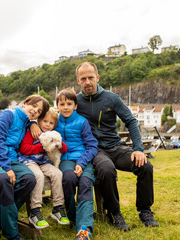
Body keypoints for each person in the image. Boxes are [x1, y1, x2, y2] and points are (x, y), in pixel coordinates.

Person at [75, 62, 159, 231]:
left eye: (91, 77)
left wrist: (138, 149)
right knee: (106, 170)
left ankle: (145, 210)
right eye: (83, 79)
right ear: (78, 81)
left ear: (97, 77)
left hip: (116, 147)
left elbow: (131, 121)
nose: (88, 82)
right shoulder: (75, 102)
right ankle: (114, 213)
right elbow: (56, 117)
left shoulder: (112, 98)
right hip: (95, 150)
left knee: (145, 166)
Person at [0, 95, 50, 240]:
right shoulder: (7, 115)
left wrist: (33, 123)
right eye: (33, 106)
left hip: (11, 159)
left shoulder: (26, 123)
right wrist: (7, 168)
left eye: (39, 111)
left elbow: (35, 124)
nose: (35, 111)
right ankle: (12, 234)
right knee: (3, 180)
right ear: (25, 103)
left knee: (29, 179)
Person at [55, 88, 98, 240]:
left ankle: (84, 228)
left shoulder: (82, 122)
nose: (66, 107)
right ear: (57, 106)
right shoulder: (54, 121)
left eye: (69, 103)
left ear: (75, 106)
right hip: (65, 160)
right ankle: (73, 217)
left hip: (83, 159)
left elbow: (92, 145)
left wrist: (81, 162)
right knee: (68, 178)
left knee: (86, 183)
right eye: (62, 104)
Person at [19, 109, 70, 229]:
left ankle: (58, 207)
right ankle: (35, 211)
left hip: (43, 161)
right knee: (38, 176)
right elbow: (23, 149)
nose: (47, 124)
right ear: (39, 121)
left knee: (57, 173)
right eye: (45, 121)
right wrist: (41, 147)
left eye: (51, 123)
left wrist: (60, 144)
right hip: (29, 160)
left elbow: (63, 148)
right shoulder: (33, 133)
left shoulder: (54, 134)